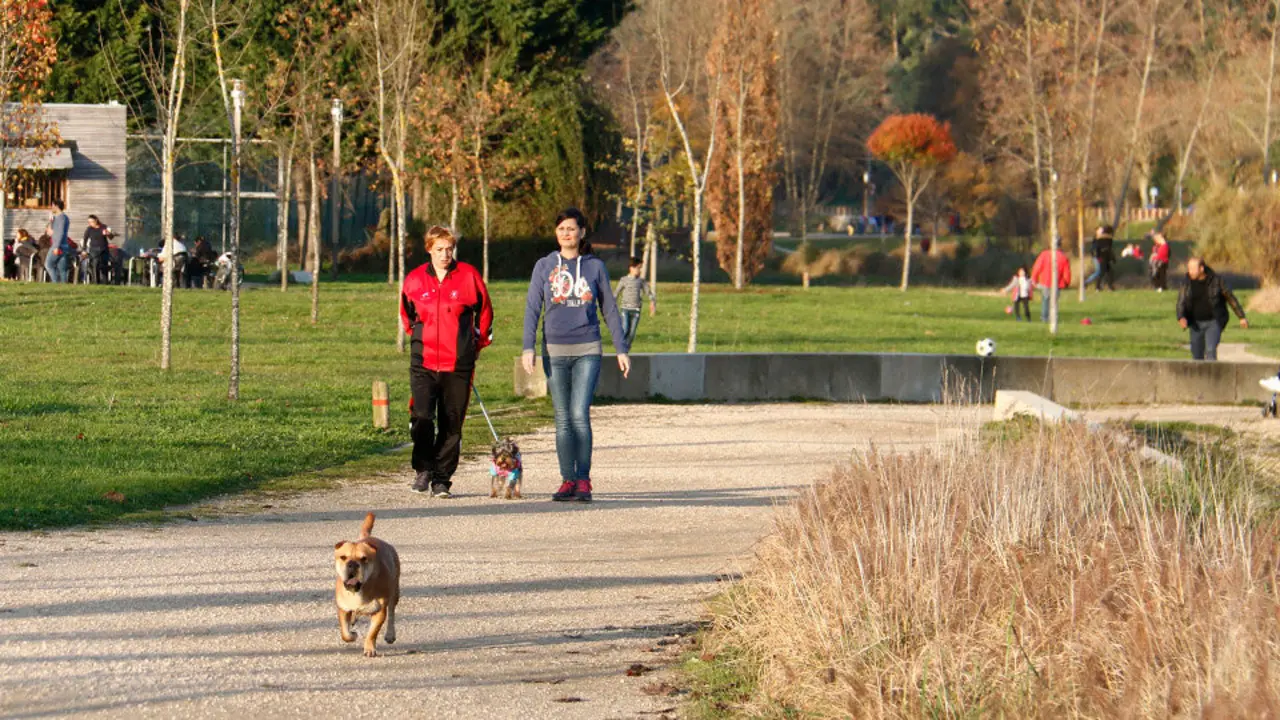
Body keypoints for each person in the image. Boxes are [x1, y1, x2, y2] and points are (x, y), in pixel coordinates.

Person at [522, 208, 631, 503]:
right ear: (556, 234)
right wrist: (528, 346)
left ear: (582, 232)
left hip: (587, 350)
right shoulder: (545, 266)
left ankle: (583, 479)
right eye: (562, 229)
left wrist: (621, 349)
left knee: (579, 415)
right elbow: (533, 307)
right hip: (554, 351)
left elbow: (609, 308)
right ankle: (566, 480)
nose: (567, 234)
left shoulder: (595, 267)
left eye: (572, 229)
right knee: (562, 418)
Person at [400, 225, 493, 498]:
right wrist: (419, 340)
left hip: (458, 363)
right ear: (429, 249)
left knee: (452, 423)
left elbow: (485, 312)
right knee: (422, 418)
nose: (445, 255)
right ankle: (423, 469)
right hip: (424, 361)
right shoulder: (415, 280)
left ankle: (442, 479)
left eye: (449, 249)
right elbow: (407, 317)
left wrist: (476, 345)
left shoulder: (469, 276)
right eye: (440, 249)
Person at [1176, 257, 1247, 361]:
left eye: (1193, 269)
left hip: (1214, 321)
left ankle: (1212, 376)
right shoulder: (1186, 283)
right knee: (1196, 355)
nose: (1190, 272)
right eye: (1189, 268)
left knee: (1210, 350)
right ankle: (1199, 376)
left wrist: (1241, 317)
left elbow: (1230, 298)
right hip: (1195, 323)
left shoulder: (1217, 281)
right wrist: (1181, 317)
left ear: (1201, 269)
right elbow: (1181, 302)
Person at [614, 256, 656, 348]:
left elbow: (648, 292)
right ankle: (620, 347)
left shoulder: (641, 281)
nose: (640, 270)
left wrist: (652, 302)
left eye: (641, 268)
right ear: (631, 268)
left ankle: (625, 350)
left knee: (632, 333)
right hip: (625, 309)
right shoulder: (624, 280)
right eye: (638, 268)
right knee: (625, 329)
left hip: (636, 310)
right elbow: (616, 292)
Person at [1030, 242, 1072, 322]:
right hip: (1057, 283)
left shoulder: (1044, 254)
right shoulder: (1063, 257)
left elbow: (1037, 267)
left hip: (1045, 281)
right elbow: (1066, 272)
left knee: (1045, 300)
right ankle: (1053, 317)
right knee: (1054, 301)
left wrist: (1034, 278)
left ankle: (1044, 317)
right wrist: (1066, 282)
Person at [44, 199, 71, 283]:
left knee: (48, 265)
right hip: (63, 245)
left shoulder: (61, 218)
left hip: (58, 245)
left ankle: (55, 282)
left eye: (52, 205)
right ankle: (63, 286)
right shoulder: (61, 218)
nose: (51, 207)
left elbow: (60, 233)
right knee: (62, 269)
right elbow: (50, 232)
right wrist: (51, 221)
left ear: (56, 206)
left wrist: (56, 246)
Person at [82, 215, 112, 285]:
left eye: (91, 222)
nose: (90, 223)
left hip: (104, 249)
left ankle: (105, 283)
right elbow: (85, 239)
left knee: (104, 266)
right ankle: (96, 282)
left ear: (96, 220)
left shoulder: (103, 227)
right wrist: (84, 249)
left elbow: (111, 237)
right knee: (95, 265)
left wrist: (108, 234)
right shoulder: (89, 229)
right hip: (94, 250)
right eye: (89, 222)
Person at [1088, 225, 1115, 292]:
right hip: (1104, 257)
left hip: (1101, 257)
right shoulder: (1108, 239)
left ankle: (1105, 286)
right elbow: (1109, 249)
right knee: (1104, 272)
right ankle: (1100, 287)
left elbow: (1097, 248)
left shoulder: (1099, 238)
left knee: (1105, 272)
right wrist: (1112, 258)